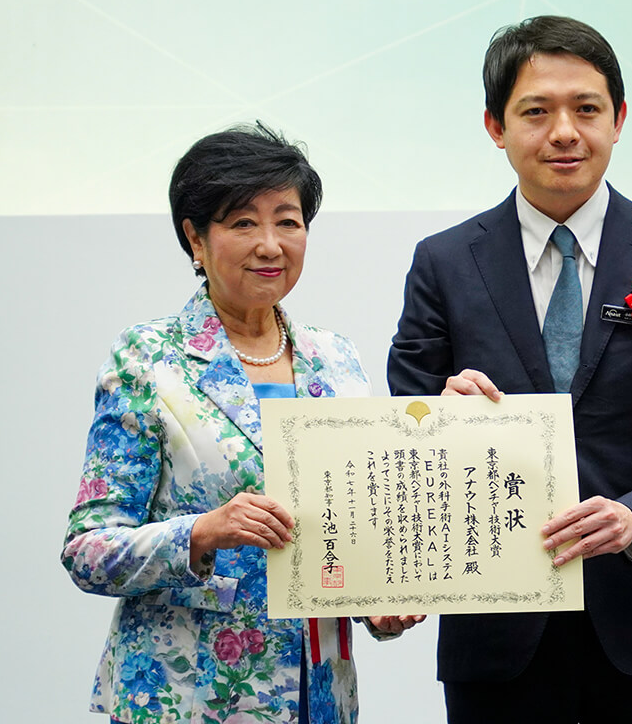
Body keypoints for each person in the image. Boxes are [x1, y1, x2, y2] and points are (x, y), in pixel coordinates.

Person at [386, 15, 632, 723]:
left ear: (618, 119)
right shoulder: (443, 263)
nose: (564, 132)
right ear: (495, 126)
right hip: (496, 628)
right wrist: (439, 411)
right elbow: (404, 425)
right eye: (536, 111)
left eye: (585, 109)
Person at [62, 124, 420, 724]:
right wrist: (201, 532)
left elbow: (354, 527)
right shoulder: (148, 359)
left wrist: (378, 603)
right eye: (242, 222)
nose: (270, 244)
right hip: (190, 695)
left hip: (321, 696)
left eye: (288, 220)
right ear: (195, 239)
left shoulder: (336, 359)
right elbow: (88, 548)